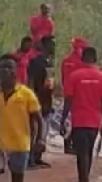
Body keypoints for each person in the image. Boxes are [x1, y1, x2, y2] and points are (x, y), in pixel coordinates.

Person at [60, 47, 102, 182]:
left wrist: (63, 119)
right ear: (95, 59)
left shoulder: (74, 76)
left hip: (79, 121)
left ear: (82, 58)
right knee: (87, 152)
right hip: (94, 122)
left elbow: (68, 100)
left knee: (81, 154)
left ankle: (84, 179)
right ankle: (84, 178)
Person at [0, 57, 44, 182]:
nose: (5, 70)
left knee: (17, 178)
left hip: (20, 144)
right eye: (2, 67)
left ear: (16, 71)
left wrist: (40, 139)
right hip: (1, 145)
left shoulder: (26, 94)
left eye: (9, 67)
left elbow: (39, 120)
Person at [27, 36, 55, 169]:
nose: (53, 47)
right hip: (37, 100)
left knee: (43, 131)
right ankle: (30, 159)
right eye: (51, 44)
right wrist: (32, 100)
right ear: (43, 46)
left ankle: (37, 157)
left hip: (46, 101)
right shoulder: (36, 63)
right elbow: (31, 82)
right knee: (35, 131)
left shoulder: (48, 63)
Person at [60, 37, 88, 154]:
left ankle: (67, 145)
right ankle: (73, 144)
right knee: (77, 119)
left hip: (67, 91)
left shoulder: (65, 61)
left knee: (67, 118)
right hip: (78, 94)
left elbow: (62, 77)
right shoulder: (81, 63)